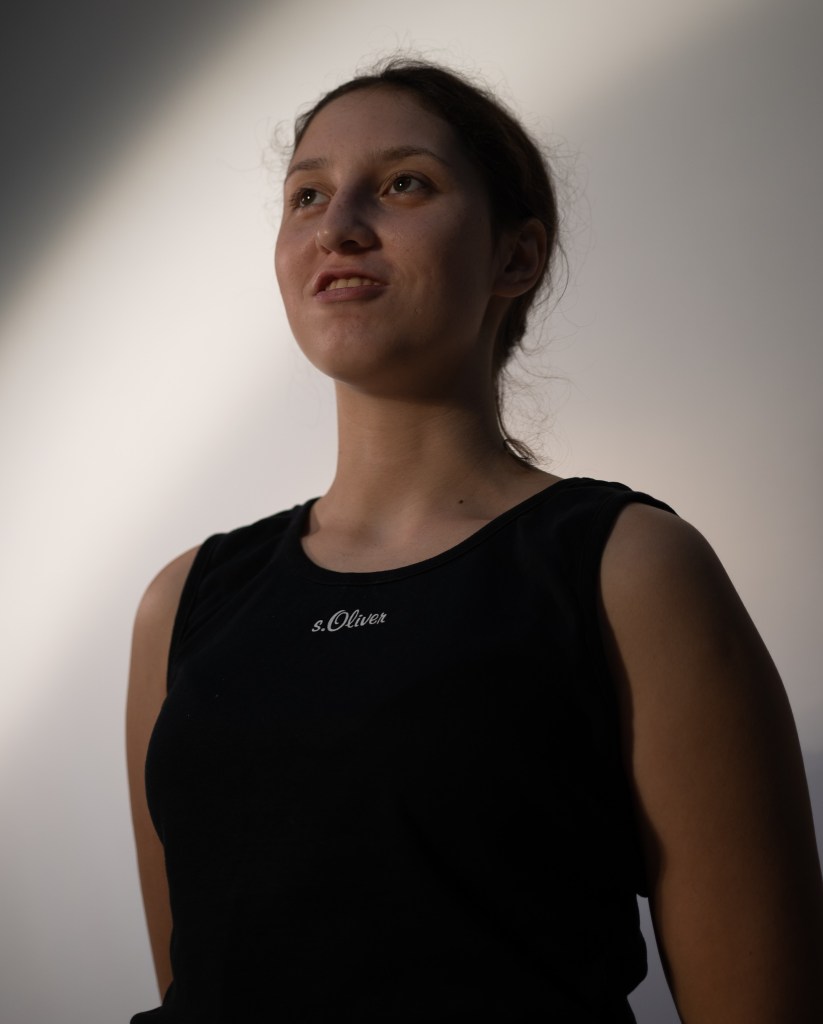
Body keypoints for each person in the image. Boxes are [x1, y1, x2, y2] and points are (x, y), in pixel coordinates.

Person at [126, 58, 823, 1022]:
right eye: (307, 195)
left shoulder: (627, 568)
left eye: (404, 183)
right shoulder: (186, 600)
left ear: (515, 258)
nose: (337, 225)